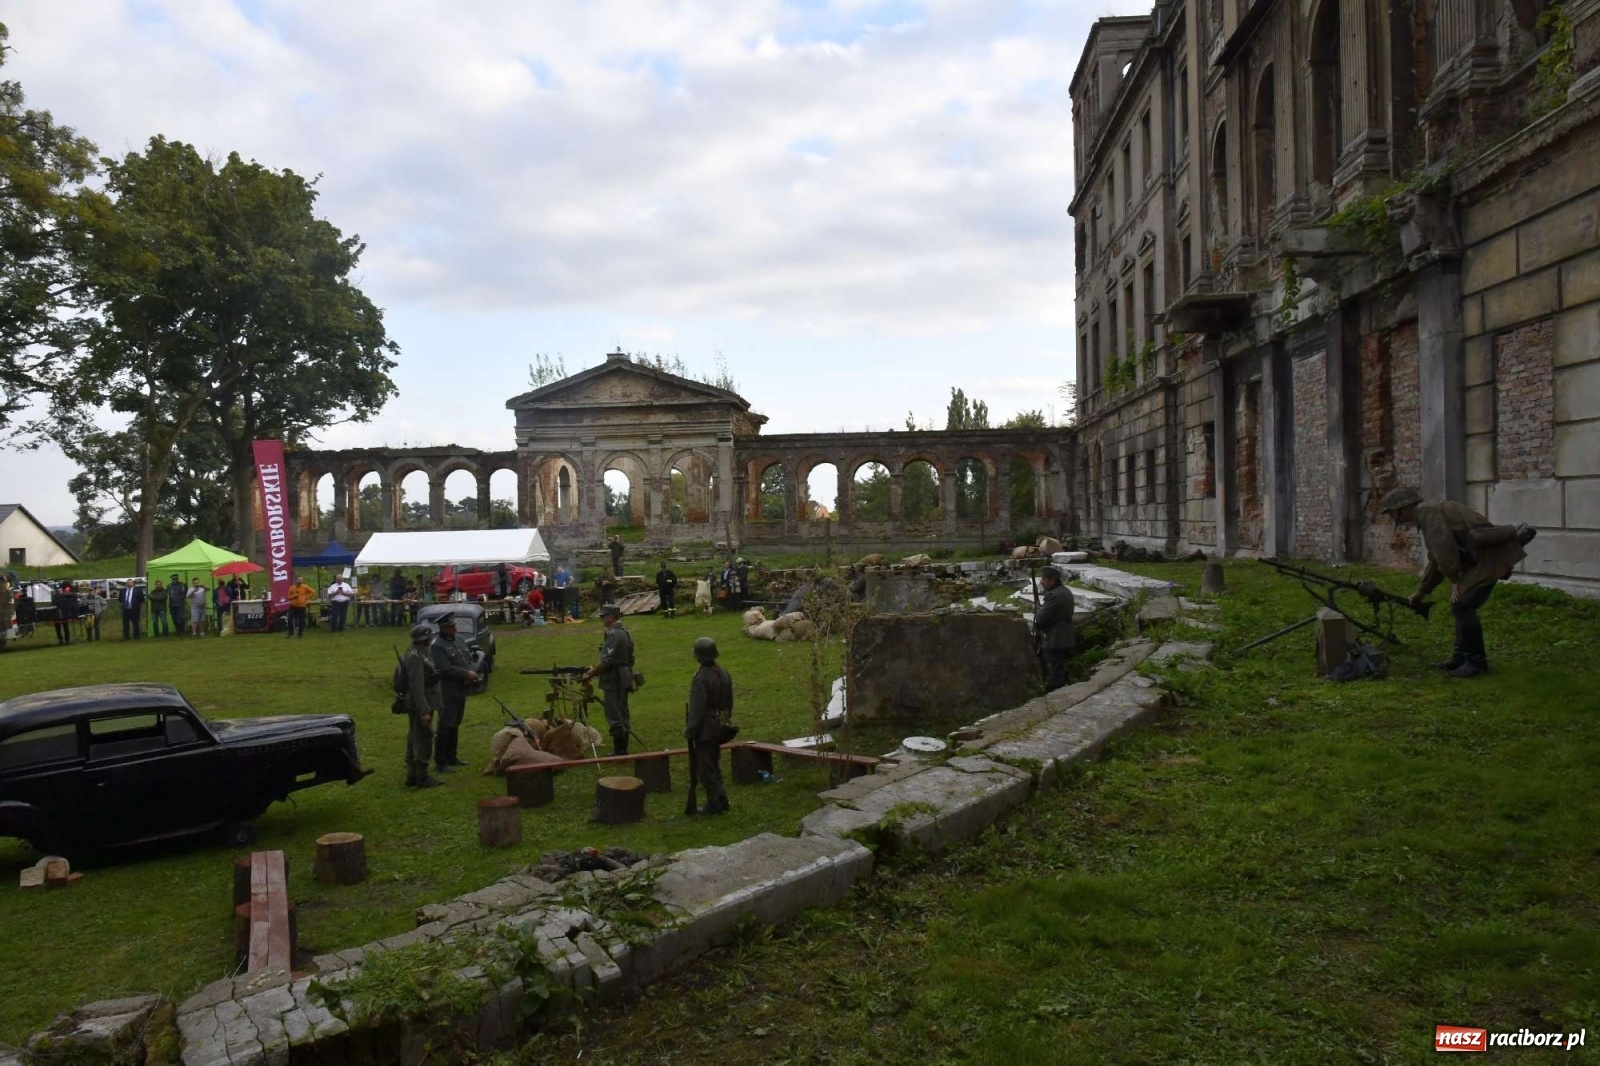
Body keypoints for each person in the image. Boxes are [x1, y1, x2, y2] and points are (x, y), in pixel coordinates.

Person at [1379, 487, 1538, 677]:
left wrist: (1455, 580)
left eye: (1391, 512)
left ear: (1402, 507)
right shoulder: (1428, 511)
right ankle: (1460, 658)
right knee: (1460, 605)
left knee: (1463, 606)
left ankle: (1475, 663)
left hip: (1488, 559)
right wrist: (1422, 591)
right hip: (1482, 559)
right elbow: (1436, 559)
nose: (1390, 517)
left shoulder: (1426, 512)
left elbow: (1444, 550)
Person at [685, 636, 734, 815]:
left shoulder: (701, 678)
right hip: (720, 725)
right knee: (713, 764)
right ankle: (722, 800)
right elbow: (729, 702)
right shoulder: (723, 673)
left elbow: (697, 709)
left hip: (706, 728)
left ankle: (714, 803)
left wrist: (690, 730)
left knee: (706, 769)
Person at [428, 614, 480, 773]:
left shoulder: (459, 640)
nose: (455, 629)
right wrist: (465, 675)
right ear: (443, 628)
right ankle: (441, 761)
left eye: (454, 626)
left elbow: (468, 660)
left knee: (456, 722)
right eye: (451, 627)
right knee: (445, 725)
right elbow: (444, 668)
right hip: (447, 690)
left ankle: (452, 756)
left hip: (461, 688)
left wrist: (470, 673)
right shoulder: (437, 645)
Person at [583, 603, 635, 755]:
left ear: (611, 617)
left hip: (615, 678)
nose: (602, 620)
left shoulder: (614, 633)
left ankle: (620, 750)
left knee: (615, 713)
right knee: (622, 712)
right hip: (621, 675)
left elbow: (607, 660)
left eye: (604, 617)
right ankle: (622, 748)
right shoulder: (622, 631)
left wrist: (591, 673)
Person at [400, 622, 444, 788]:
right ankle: (421, 776)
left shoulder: (420, 653)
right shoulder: (415, 657)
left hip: (425, 702)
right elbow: (417, 686)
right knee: (423, 739)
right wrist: (424, 711)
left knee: (415, 738)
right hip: (421, 704)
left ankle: (412, 775)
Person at [1032, 566, 1077, 692]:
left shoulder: (1054, 596)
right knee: (1059, 669)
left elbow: (1041, 619)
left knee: (1054, 673)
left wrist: (1037, 609)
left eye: (1044, 579)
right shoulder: (1064, 591)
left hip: (1055, 639)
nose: (1042, 582)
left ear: (1053, 580)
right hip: (1064, 636)